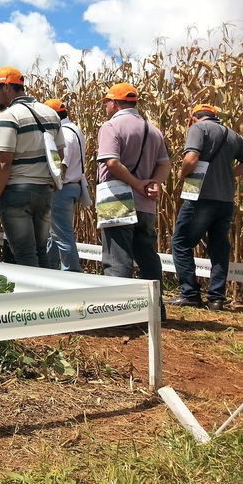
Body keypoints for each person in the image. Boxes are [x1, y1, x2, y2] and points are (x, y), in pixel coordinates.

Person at [0, 67, 65, 268]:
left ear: (7, 87)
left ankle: (30, 299)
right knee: (41, 250)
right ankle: (47, 298)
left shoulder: (8, 117)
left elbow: (4, 161)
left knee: (24, 255)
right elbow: (59, 156)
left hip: (17, 191)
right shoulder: (51, 113)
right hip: (45, 191)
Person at [96, 82, 170, 318]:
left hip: (117, 200)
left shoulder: (111, 126)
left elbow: (112, 162)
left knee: (117, 257)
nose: (105, 106)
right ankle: (156, 310)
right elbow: (165, 164)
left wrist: (136, 183)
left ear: (115, 103)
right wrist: (153, 184)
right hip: (146, 205)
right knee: (147, 254)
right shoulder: (153, 130)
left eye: (107, 102)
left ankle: (120, 314)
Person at [170, 104, 243, 310]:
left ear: (194, 117)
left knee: (181, 242)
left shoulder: (198, 129)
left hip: (200, 197)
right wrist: (229, 174)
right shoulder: (232, 134)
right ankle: (216, 299)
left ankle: (190, 293)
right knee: (219, 247)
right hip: (226, 200)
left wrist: (181, 174)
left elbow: (191, 158)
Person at [45, 99, 86, 272]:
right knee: (54, 235)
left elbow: (62, 165)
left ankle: (72, 274)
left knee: (63, 235)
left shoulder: (65, 134)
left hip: (63, 187)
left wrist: (53, 185)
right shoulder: (74, 129)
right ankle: (49, 270)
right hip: (73, 186)